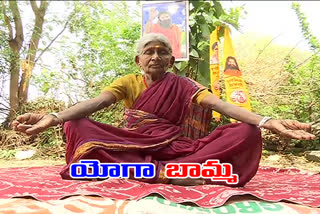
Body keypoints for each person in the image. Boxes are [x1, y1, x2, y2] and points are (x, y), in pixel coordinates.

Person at [12, 33, 316, 187]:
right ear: (138, 60)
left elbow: (220, 105)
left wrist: (267, 121)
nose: (155, 56)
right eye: (149, 51)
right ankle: (169, 173)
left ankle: (169, 170)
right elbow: (97, 103)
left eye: (162, 52)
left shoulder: (183, 85)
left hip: (179, 148)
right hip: (134, 144)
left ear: (171, 61)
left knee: (246, 132)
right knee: (75, 125)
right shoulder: (127, 82)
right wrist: (53, 118)